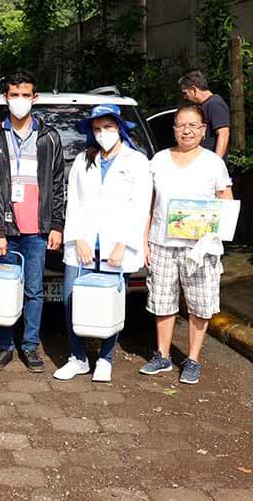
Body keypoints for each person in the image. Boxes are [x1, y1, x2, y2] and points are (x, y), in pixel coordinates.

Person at [54, 104, 152, 382]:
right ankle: (78, 358)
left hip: (116, 246)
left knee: (109, 303)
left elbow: (140, 206)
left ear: (119, 128)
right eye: (97, 129)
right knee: (71, 301)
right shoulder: (83, 160)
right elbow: (73, 202)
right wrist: (78, 238)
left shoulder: (136, 161)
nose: (102, 133)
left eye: (108, 127)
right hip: (83, 245)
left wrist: (123, 244)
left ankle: (105, 358)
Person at [140, 105, 233, 385]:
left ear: (204, 130)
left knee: (200, 304)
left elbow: (226, 201)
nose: (187, 130)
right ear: (174, 129)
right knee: (162, 300)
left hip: (200, 247)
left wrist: (218, 233)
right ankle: (163, 355)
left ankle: (192, 359)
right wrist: (144, 240)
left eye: (193, 125)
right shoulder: (158, 160)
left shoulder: (213, 163)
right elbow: (149, 204)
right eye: (181, 125)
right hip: (162, 243)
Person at [0, 70, 65, 373]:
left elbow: (57, 183)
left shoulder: (49, 137)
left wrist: (56, 224)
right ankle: (4, 345)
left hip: (37, 229)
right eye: (14, 95)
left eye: (25, 95)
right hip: (6, 230)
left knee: (34, 290)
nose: (19, 101)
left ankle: (30, 346)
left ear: (35, 98)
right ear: (6, 97)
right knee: (3, 287)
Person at [179, 71, 231, 159]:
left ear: (194, 89)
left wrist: (216, 162)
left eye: (185, 93)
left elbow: (223, 134)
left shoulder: (215, 104)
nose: (185, 97)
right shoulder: (202, 106)